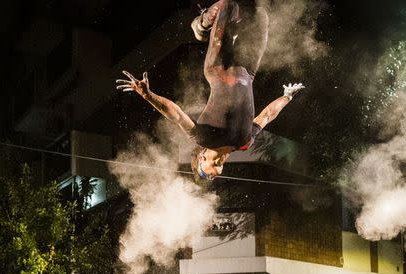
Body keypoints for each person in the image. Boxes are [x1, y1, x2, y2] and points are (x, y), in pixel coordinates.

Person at [116, 0, 305, 181]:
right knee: (261, 16)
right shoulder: (244, 142)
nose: (216, 174)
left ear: (201, 159)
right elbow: (266, 116)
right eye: (216, 175)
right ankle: (234, 23)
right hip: (248, 72)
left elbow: (176, 115)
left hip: (218, 68)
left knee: (227, 5)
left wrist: (147, 95)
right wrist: (286, 97)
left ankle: (201, 25)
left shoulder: (203, 138)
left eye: (209, 174)